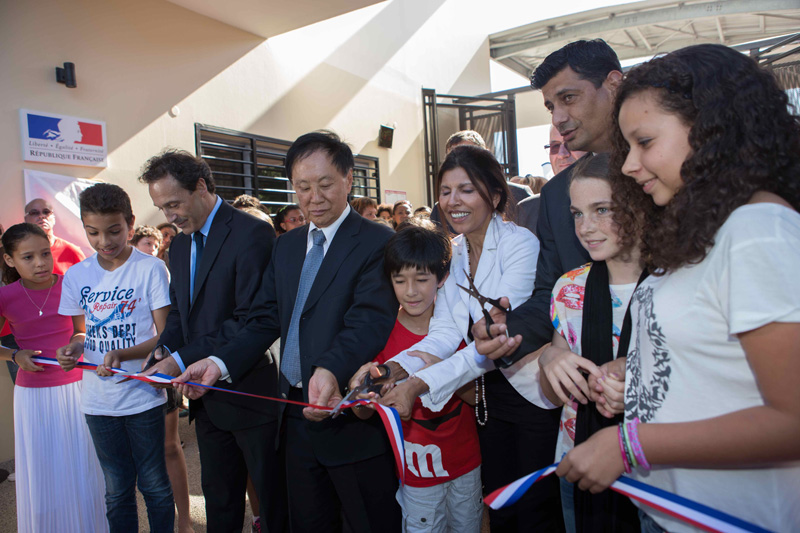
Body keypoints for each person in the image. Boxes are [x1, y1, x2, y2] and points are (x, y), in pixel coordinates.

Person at [560, 44, 800, 533]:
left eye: (645, 142)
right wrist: (636, 370)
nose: (629, 165)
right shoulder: (704, 231)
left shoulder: (757, 232)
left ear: (712, 130)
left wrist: (629, 444)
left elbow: (792, 418)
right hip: (670, 510)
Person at [173, 131, 400, 533]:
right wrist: (218, 363)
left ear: (348, 179)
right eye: (303, 187)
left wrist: (329, 369)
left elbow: (367, 321)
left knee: (366, 521)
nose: (314, 197)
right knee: (307, 521)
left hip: (349, 411)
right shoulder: (288, 245)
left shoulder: (377, 240)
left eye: (325, 184)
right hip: (293, 412)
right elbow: (263, 318)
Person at [380, 145, 563, 532]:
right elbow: (445, 330)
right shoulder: (456, 251)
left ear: (494, 196)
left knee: (535, 511)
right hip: (486, 397)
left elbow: (495, 344)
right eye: (446, 191)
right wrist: (394, 368)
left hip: (530, 394)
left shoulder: (520, 245)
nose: (452, 201)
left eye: (466, 189)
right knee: (498, 505)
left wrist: (418, 384)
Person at [137, 150, 285, 533]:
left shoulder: (251, 232)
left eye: (174, 204)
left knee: (273, 501)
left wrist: (179, 359)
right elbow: (181, 314)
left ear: (200, 186)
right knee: (219, 499)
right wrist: (164, 351)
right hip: (205, 401)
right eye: (161, 208)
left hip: (251, 391)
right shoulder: (179, 245)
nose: (169, 216)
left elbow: (253, 319)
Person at [473, 39, 623, 379]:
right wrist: (507, 332)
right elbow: (550, 293)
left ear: (613, 84)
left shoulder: (666, 171)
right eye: (551, 106)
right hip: (588, 385)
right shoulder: (557, 195)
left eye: (569, 98)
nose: (559, 118)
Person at [350, 221, 483, 533]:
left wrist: (443, 373)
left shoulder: (460, 328)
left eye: (422, 279)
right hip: (416, 473)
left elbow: (478, 399)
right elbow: (362, 411)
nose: (411, 291)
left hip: (466, 464)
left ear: (442, 278)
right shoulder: (383, 336)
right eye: (400, 280)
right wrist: (359, 396)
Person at [56, 183, 174, 532]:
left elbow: (165, 336)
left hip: (142, 396)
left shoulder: (151, 269)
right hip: (97, 401)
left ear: (130, 224)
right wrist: (74, 347)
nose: (104, 241)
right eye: (93, 232)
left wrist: (122, 354)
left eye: (113, 231)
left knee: (154, 485)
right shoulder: (77, 275)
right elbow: (81, 332)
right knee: (116, 489)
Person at [539, 154, 642, 533]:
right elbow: (553, 393)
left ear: (638, 206)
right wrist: (550, 360)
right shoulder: (569, 289)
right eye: (577, 214)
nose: (586, 227)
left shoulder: (673, 282)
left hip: (655, 469)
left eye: (602, 209)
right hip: (579, 458)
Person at [0, 223, 107, 532]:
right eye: (28, 257)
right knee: (44, 467)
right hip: (33, 395)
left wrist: (76, 344)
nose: (40, 263)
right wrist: (15, 356)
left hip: (80, 386)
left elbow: (82, 330)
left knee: (86, 463)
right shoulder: (5, 297)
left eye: (45, 254)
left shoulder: (70, 285)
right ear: (9, 260)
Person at [24, 198, 86, 275]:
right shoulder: (21, 252)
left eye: (46, 212)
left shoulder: (72, 251)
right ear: (26, 219)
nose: (41, 216)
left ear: (53, 218)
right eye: (34, 213)